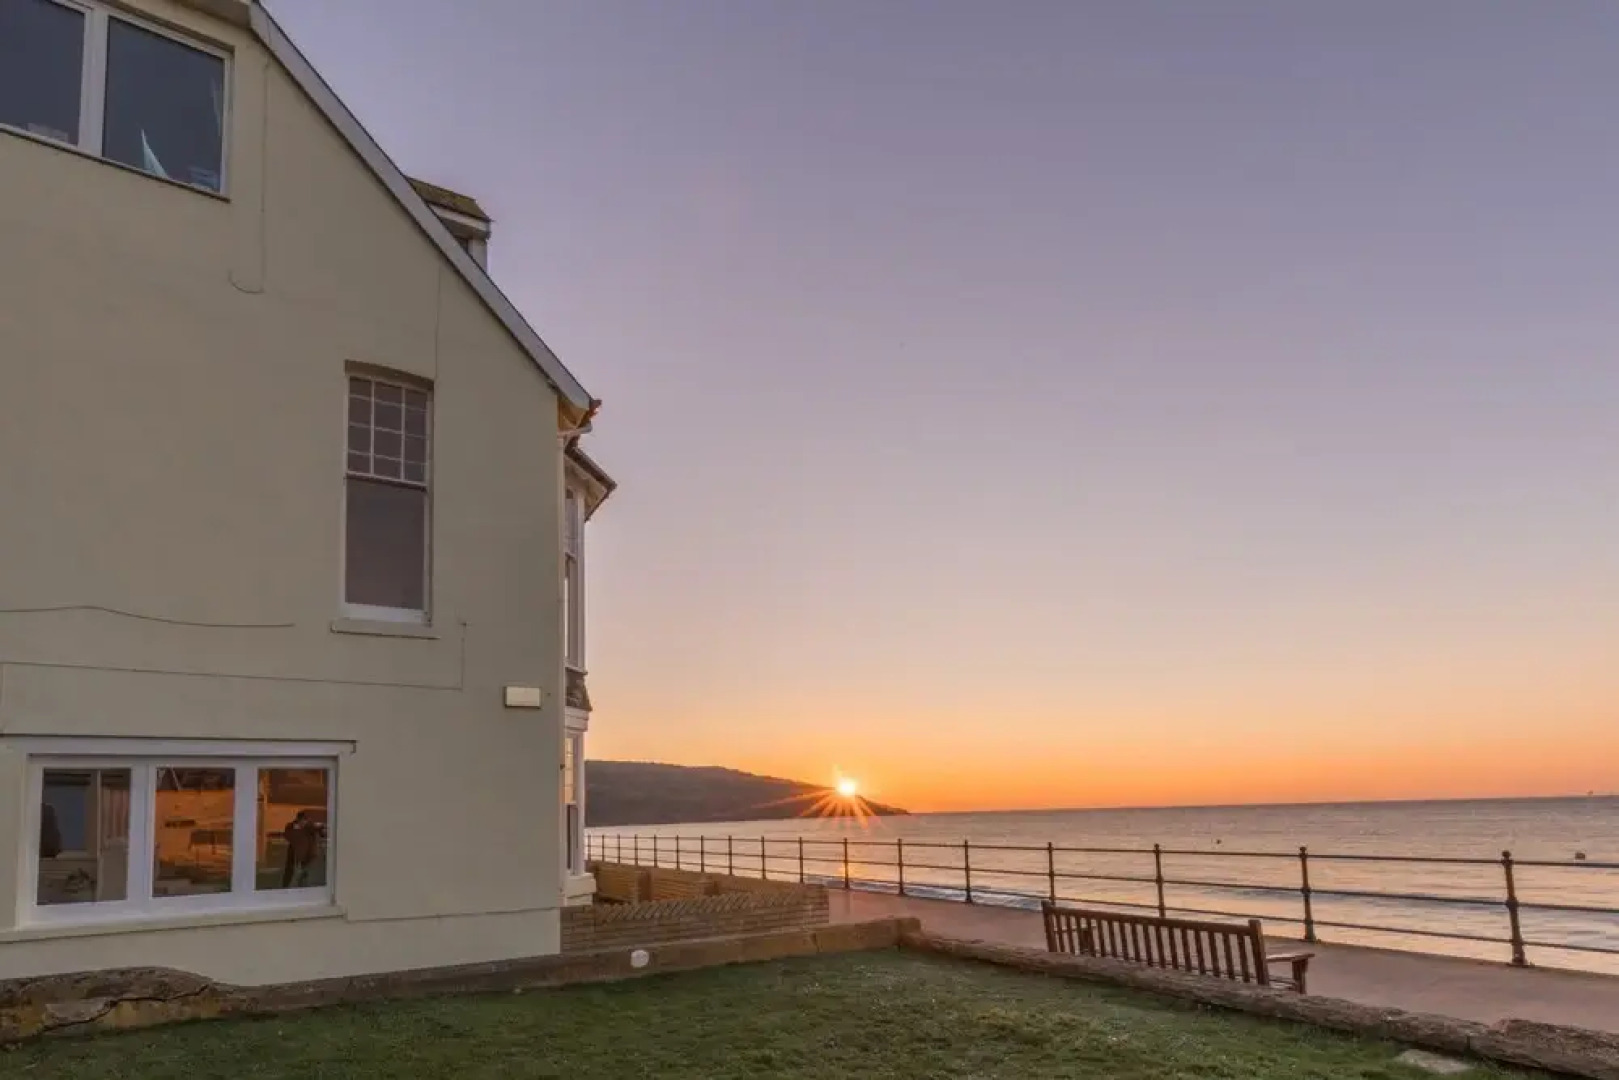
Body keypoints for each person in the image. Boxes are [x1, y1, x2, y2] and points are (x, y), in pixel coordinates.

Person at [281, 811, 321, 888]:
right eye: (302, 820)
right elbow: (287, 835)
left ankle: (302, 887)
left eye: (305, 820)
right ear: (298, 819)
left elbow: (318, 831)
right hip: (295, 851)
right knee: (290, 871)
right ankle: (286, 887)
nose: (304, 823)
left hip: (308, 854)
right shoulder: (292, 826)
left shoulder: (310, 827)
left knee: (304, 872)